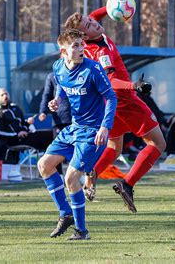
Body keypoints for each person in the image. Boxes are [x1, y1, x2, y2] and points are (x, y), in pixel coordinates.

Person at [64, 8, 166, 213]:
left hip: (108, 104)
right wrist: (134, 86)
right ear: (84, 35)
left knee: (114, 147)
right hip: (125, 102)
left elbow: (97, 15)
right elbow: (110, 81)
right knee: (158, 143)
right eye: (88, 25)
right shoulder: (101, 52)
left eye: (91, 20)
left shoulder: (93, 32)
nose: (93, 23)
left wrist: (114, 6)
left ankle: (92, 172)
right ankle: (127, 184)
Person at [37, 29, 117, 240]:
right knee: (44, 165)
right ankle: (66, 214)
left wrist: (104, 127)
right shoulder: (58, 68)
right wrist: (57, 100)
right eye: (76, 46)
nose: (82, 49)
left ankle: (81, 231)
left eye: (82, 44)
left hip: (92, 132)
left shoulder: (93, 69)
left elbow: (111, 97)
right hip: (73, 128)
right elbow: (62, 88)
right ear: (63, 51)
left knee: (71, 177)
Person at [0, 88, 51, 163]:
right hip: (13, 140)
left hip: (25, 136)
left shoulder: (15, 107)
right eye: (2, 95)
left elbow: (22, 124)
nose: (5, 96)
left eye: (6, 94)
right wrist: (16, 134)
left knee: (50, 135)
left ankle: (52, 168)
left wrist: (28, 123)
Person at [39, 71, 72, 174]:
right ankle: (59, 175)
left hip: (76, 118)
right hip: (59, 119)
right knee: (57, 149)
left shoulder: (80, 72)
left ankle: (78, 175)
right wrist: (43, 111)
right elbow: (47, 94)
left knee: (77, 148)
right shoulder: (52, 76)